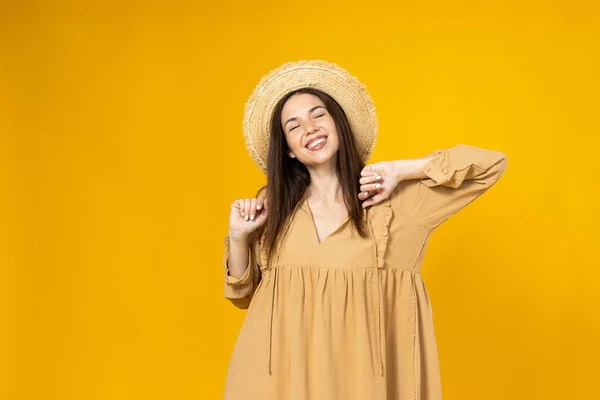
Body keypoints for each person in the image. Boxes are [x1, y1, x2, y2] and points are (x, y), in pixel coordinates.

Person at [221, 60, 508, 400]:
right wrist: (239, 238)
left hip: (360, 384)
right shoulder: (275, 208)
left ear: (339, 124)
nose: (309, 128)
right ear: (287, 148)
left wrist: (400, 170)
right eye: (293, 125)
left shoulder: (396, 202)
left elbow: (490, 165)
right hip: (278, 382)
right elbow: (242, 296)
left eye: (318, 114)